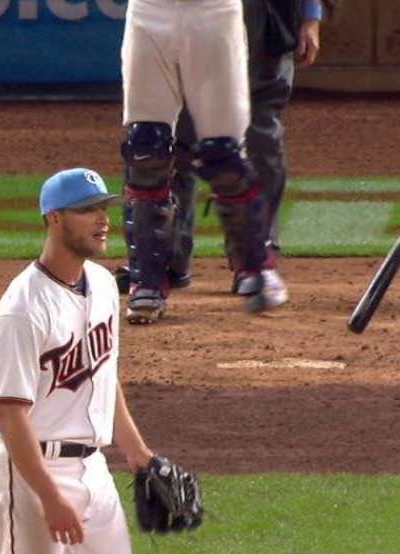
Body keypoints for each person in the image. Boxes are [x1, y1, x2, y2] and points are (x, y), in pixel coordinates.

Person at [0, 168, 158, 554]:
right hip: (31, 473)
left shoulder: (103, 285)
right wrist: (49, 497)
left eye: (104, 207)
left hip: (94, 472)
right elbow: (10, 415)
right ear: (54, 219)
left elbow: (104, 377)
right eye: (88, 210)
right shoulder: (20, 309)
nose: (103, 219)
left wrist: (137, 452)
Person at [119, 0, 293, 323]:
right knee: (145, 149)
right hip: (148, 10)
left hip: (214, 12)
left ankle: (256, 266)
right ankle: (147, 282)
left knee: (223, 156)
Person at [168, 0, 336, 295]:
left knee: (262, 144)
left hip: (266, 20)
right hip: (192, 17)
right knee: (176, 141)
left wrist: (311, 15)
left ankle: (254, 259)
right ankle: (167, 257)